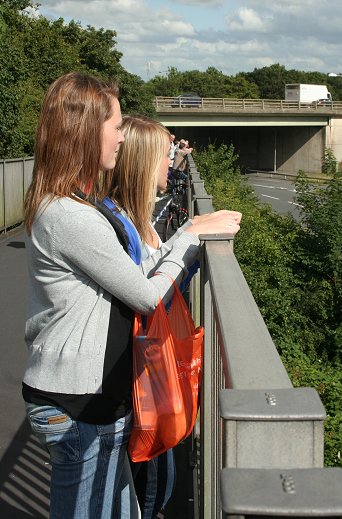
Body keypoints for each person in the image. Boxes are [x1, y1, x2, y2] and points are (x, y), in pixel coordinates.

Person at [22, 71, 241, 519]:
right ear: (85, 132)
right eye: (115, 126)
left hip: (90, 400)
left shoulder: (71, 207)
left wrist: (186, 235)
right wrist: (191, 238)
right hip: (78, 405)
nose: (121, 139)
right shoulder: (69, 216)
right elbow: (145, 295)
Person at [102, 115, 197, 518]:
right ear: (144, 163)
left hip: (139, 380)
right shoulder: (119, 223)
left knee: (149, 485)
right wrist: (190, 239)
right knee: (147, 487)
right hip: (131, 382)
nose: (171, 163)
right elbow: (145, 293)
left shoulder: (133, 218)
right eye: (165, 155)